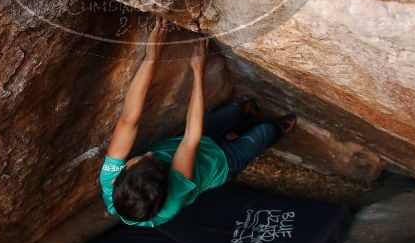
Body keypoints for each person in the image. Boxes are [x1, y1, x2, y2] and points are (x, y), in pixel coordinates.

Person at [99, 16, 297, 227]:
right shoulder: (171, 202)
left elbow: (129, 119)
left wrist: (152, 57)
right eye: (153, 160)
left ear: (117, 179)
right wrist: (197, 70)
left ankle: (245, 115)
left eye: (140, 159)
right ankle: (277, 129)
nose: (148, 153)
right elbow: (190, 140)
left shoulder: (110, 182)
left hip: (193, 141)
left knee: (235, 112)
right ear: (166, 182)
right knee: (264, 132)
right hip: (220, 163)